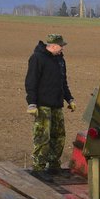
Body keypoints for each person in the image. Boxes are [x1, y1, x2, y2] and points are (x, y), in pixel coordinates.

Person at [25, 33, 75, 177]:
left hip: (57, 105)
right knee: (42, 137)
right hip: (42, 105)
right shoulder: (37, 58)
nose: (62, 49)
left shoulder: (60, 60)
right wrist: (32, 103)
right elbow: (31, 82)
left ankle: (54, 165)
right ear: (52, 46)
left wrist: (69, 99)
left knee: (59, 136)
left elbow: (63, 82)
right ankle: (38, 169)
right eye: (61, 46)